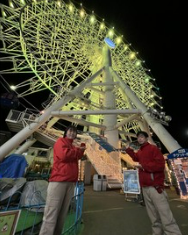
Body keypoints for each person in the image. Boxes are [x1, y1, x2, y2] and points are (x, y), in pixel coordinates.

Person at [125, 130, 182, 235]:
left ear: (146, 138)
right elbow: (135, 157)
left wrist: (143, 166)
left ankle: (173, 233)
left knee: (165, 214)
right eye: (138, 137)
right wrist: (128, 149)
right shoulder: (141, 151)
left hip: (155, 187)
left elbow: (160, 165)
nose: (140, 139)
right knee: (153, 216)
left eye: (142, 137)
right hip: (145, 187)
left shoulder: (153, 149)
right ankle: (157, 233)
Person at [39, 125, 86, 235]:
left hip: (70, 182)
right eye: (70, 131)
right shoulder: (60, 141)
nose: (72, 133)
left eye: (74, 132)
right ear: (65, 132)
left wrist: (82, 148)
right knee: (52, 212)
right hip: (58, 181)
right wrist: (77, 149)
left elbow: (78, 156)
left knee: (62, 214)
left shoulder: (73, 146)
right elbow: (64, 155)